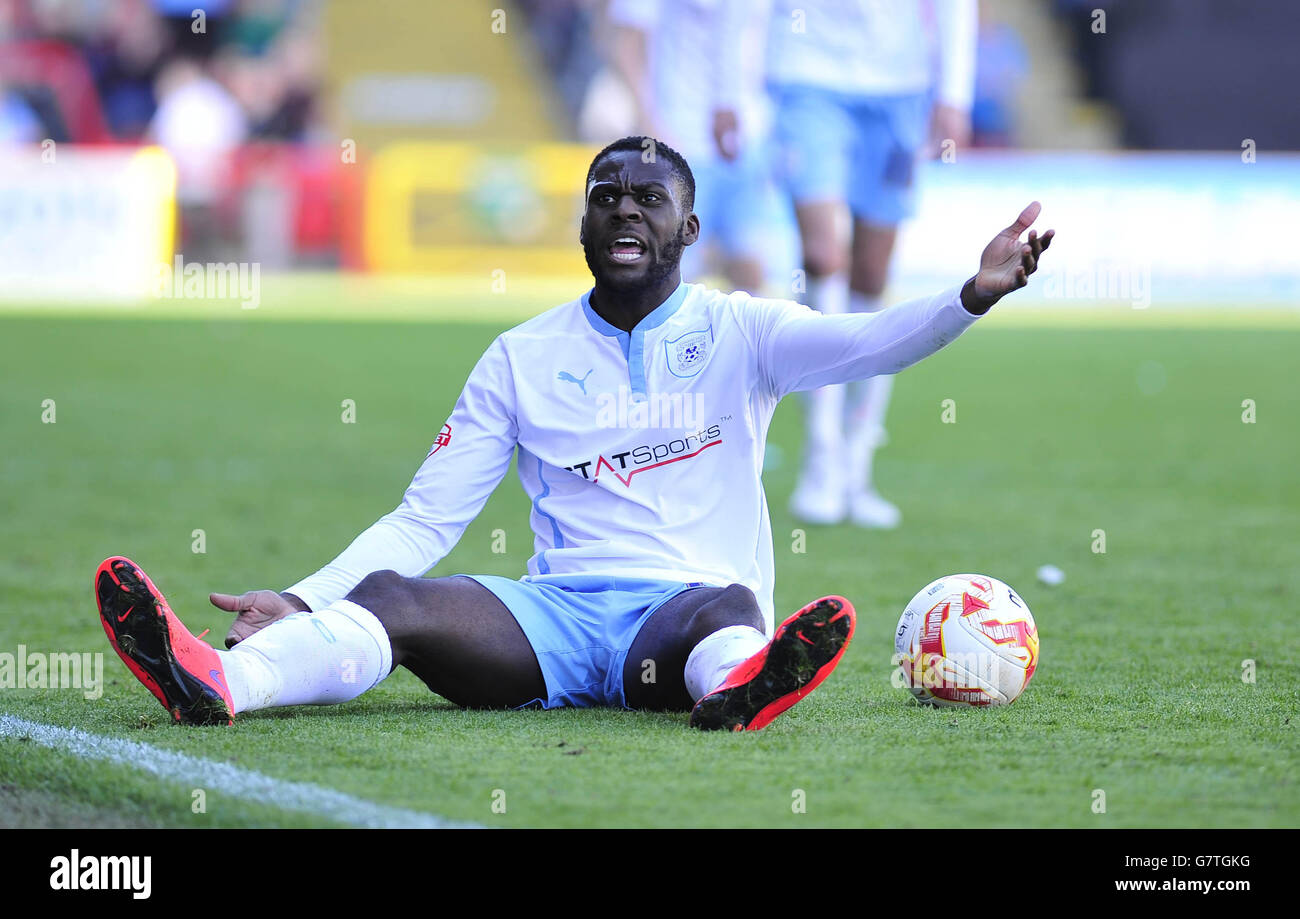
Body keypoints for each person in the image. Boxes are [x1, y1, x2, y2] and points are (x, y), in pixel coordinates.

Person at [95, 136, 1052, 732]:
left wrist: (974, 293)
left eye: (649, 198)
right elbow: (425, 520)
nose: (625, 208)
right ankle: (220, 680)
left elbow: (871, 343)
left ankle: (743, 686)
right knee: (394, 593)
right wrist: (304, 598)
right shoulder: (519, 355)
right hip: (548, 628)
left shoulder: (744, 331)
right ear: (584, 225)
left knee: (725, 606)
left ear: (688, 228)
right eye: (606, 196)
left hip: (676, 620)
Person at [765, 0, 978, 528]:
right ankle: (821, 456)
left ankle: (857, 465)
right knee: (821, 255)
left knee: (872, 274)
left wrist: (954, 94)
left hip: (899, 88)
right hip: (807, 74)